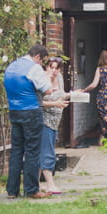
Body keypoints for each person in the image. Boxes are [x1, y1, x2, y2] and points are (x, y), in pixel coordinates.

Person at [4, 44, 53, 199]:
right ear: (38, 56)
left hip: (14, 110)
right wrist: (48, 77)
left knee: (17, 150)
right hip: (31, 110)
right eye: (42, 61)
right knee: (32, 150)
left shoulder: (12, 66)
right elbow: (48, 89)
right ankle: (32, 189)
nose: (41, 64)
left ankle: (12, 190)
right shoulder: (34, 68)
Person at [40, 57, 70, 195]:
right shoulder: (42, 80)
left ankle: (34, 184)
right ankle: (50, 184)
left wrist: (74, 94)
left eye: (56, 68)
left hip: (55, 121)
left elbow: (62, 95)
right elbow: (39, 102)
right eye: (51, 67)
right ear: (46, 67)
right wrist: (55, 104)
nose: (53, 71)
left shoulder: (60, 79)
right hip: (44, 120)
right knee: (47, 152)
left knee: (46, 150)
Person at [83, 49, 107, 139]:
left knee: (106, 116)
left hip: (103, 96)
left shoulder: (100, 69)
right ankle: (104, 137)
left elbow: (94, 84)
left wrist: (85, 90)